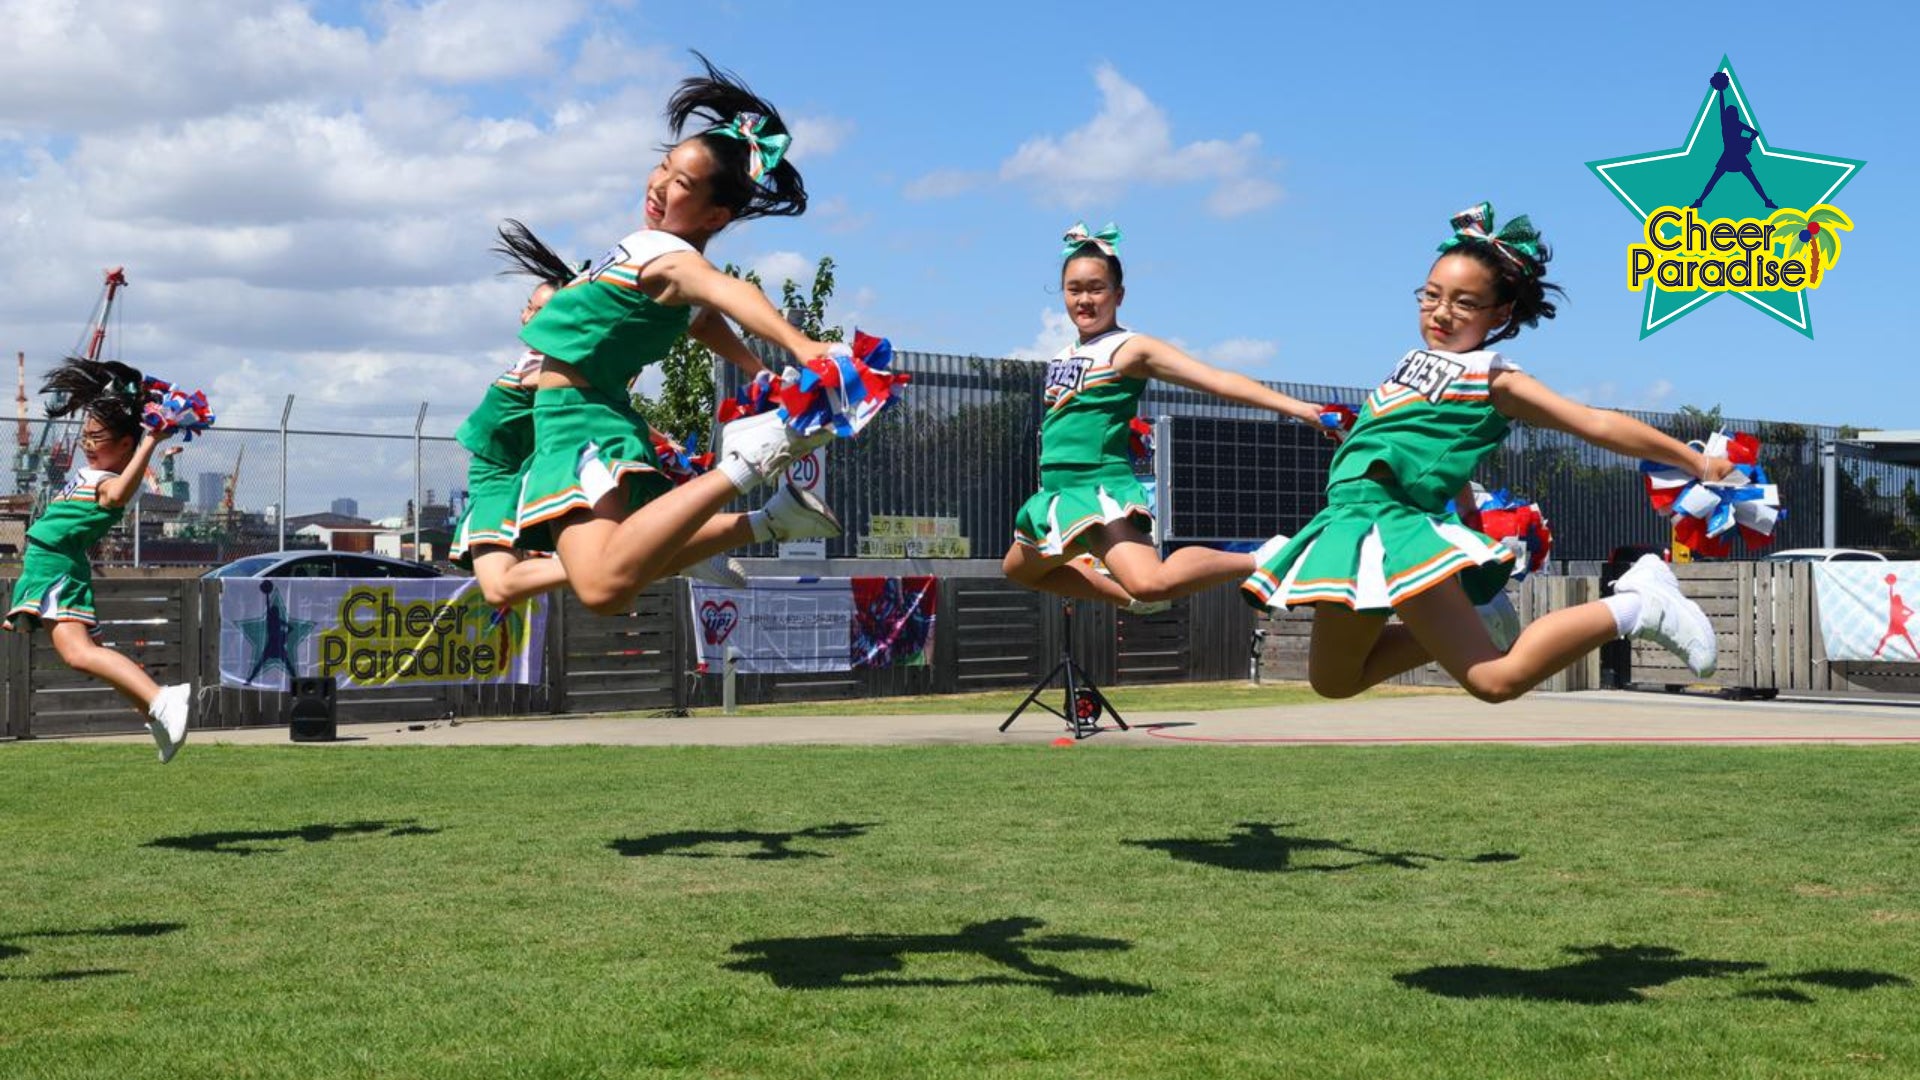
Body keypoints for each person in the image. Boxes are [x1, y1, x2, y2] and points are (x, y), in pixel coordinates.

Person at [1242, 203, 1733, 703]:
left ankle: (1638, 605)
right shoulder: (1409, 364)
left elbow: (1594, 422)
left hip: (1395, 528)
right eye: (1431, 295)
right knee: (1334, 680)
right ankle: (1479, 620)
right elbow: (1434, 455)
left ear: (1499, 313)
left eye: (1464, 302)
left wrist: (1695, 462)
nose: (1440, 311)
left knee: (1494, 681)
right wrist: (1464, 511)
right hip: (1347, 526)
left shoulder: (1495, 378)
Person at [514, 55, 845, 614]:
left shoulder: (662, 252)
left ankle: (746, 465)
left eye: (682, 183)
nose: (660, 185)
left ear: (715, 215)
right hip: (587, 415)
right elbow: (702, 316)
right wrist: (754, 367)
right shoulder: (662, 259)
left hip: (578, 419)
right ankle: (760, 521)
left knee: (599, 586)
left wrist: (802, 346)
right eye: (664, 167)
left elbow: (729, 293)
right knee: (608, 585)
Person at [1001, 222, 1331, 612]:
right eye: (1074, 289)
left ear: (1118, 294)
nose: (1084, 299)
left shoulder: (1129, 348)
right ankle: (1130, 599)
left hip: (1097, 488)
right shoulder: (1063, 354)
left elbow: (1216, 380)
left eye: (1096, 288)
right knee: (1020, 570)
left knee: (1152, 581)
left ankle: (1261, 557)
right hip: (1056, 493)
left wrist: (1298, 409)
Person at [451, 221, 770, 606]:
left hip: (505, 473)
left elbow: (571, 387)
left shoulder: (550, 364)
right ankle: (675, 550)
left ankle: (684, 543)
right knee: (506, 587)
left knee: (502, 587)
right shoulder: (547, 357)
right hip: (521, 468)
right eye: (528, 308)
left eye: (538, 309)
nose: (527, 317)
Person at [4, 358, 190, 760]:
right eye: (85, 436)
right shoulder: (94, 472)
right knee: (84, 656)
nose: (87, 443)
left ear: (124, 445)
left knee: (78, 654)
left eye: (97, 437)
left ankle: (162, 699)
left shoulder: (110, 483)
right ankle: (154, 714)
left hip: (55, 564)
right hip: (47, 563)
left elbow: (120, 494)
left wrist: (150, 441)